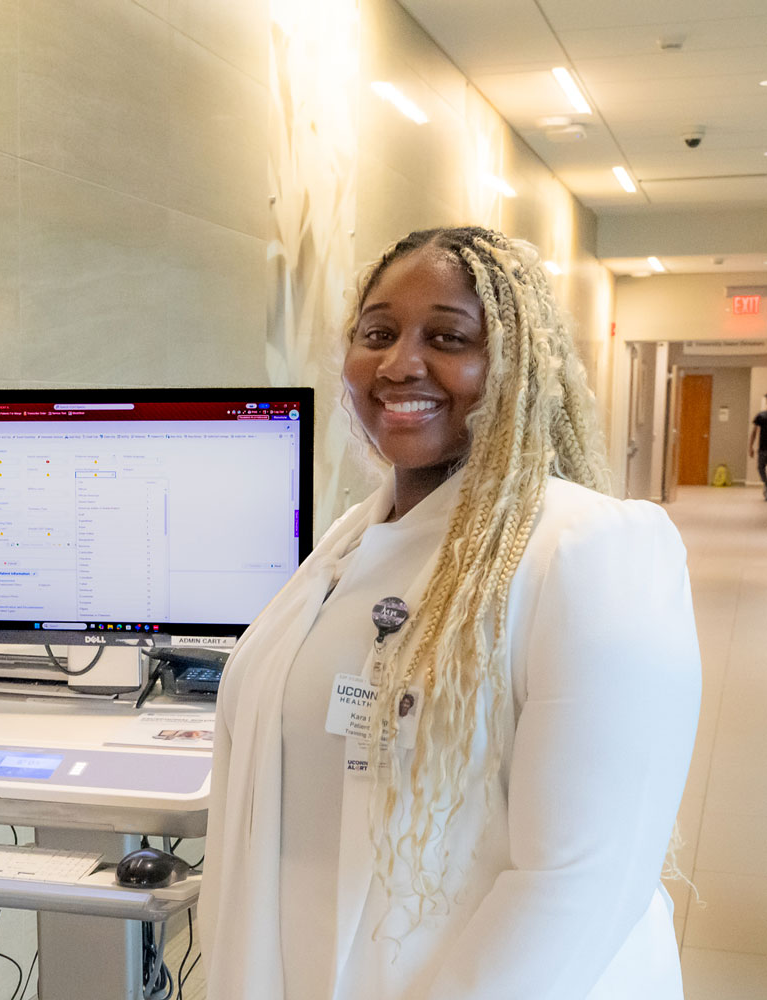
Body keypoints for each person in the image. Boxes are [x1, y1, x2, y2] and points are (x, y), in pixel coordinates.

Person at [200, 227, 700, 1000]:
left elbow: (577, 884)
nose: (400, 363)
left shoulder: (591, 551)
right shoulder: (346, 543)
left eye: (448, 337)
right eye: (377, 333)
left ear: (516, 365)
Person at [750, 394, 767, 499]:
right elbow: (753, 433)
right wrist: (750, 447)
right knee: (760, 468)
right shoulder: (761, 416)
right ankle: (766, 484)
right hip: (763, 448)